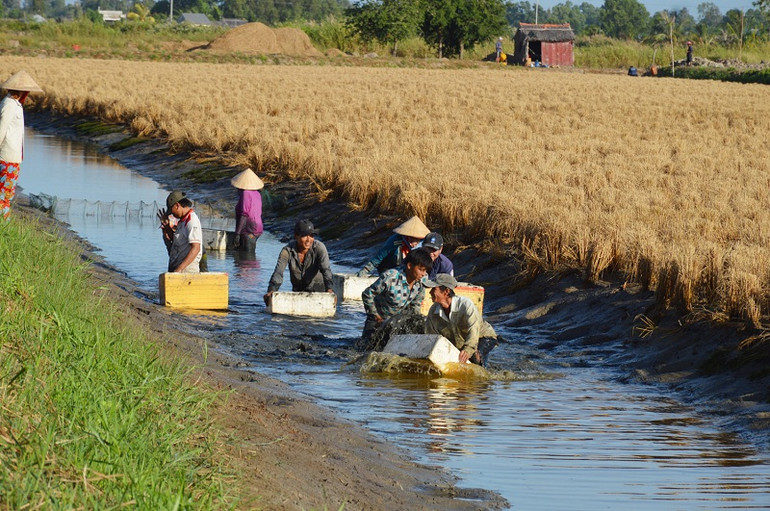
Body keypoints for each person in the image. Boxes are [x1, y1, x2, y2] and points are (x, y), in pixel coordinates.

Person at [360, 247, 433, 347]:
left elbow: (415, 305)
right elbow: (367, 294)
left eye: (425, 270)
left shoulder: (422, 280)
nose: (423, 274)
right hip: (377, 320)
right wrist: (374, 314)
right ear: (409, 266)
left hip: (396, 323)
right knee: (365, 349)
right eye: (421, 270)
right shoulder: (391, 277)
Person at [424, 273, 499, 366]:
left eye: (434, 289)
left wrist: (468, 349)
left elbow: (474, 329)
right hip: (461, 341)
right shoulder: (433, 311)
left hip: (483, 337)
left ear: (446, 291)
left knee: (476, 358)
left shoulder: (465, 305)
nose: (430, 292)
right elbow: (430, 336)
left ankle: (484, 377)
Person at [0, 70, 43, 221]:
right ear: (21, 91)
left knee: (7, 193)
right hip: (7, 157)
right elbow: (2, 129)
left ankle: (4, 222)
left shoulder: (15, 105)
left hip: (13, 157)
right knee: (4, 194)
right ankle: (4, 223)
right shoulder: (9, 105)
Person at [264, 219, 334, 304]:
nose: (308, 240)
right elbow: (278, 272)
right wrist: (272, 290)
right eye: (304, 236)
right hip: (298, 294)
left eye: (311, 235)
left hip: (318, 294)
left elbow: (326, 270)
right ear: (296, 236)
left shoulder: (319, 248)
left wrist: (329, 290)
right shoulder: (287, 251)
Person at [356, 215, 430, 277]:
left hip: (407, 268)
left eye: (416, 240)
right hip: (388, 268)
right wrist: (365, 270)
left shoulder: (422, 245)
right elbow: (379, 258)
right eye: (411, 238)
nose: (413, 243)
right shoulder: (395, 241)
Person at [159, 191, 203, 273]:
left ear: (177, 205)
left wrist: (179, 269)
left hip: (187, 270)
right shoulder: (182, 221)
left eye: (171, 211)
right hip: (178, 268)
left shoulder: (191, 221)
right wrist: (167, 227)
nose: (172, 214)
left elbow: (196, 248)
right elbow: (177, 241)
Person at [230, 167, 264, 253]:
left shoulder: (245, 193)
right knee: (248, 256)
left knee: (246, 258)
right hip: (258, 228)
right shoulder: (257, 194)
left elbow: (244, 215)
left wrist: (237, 234)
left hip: (249, 230)